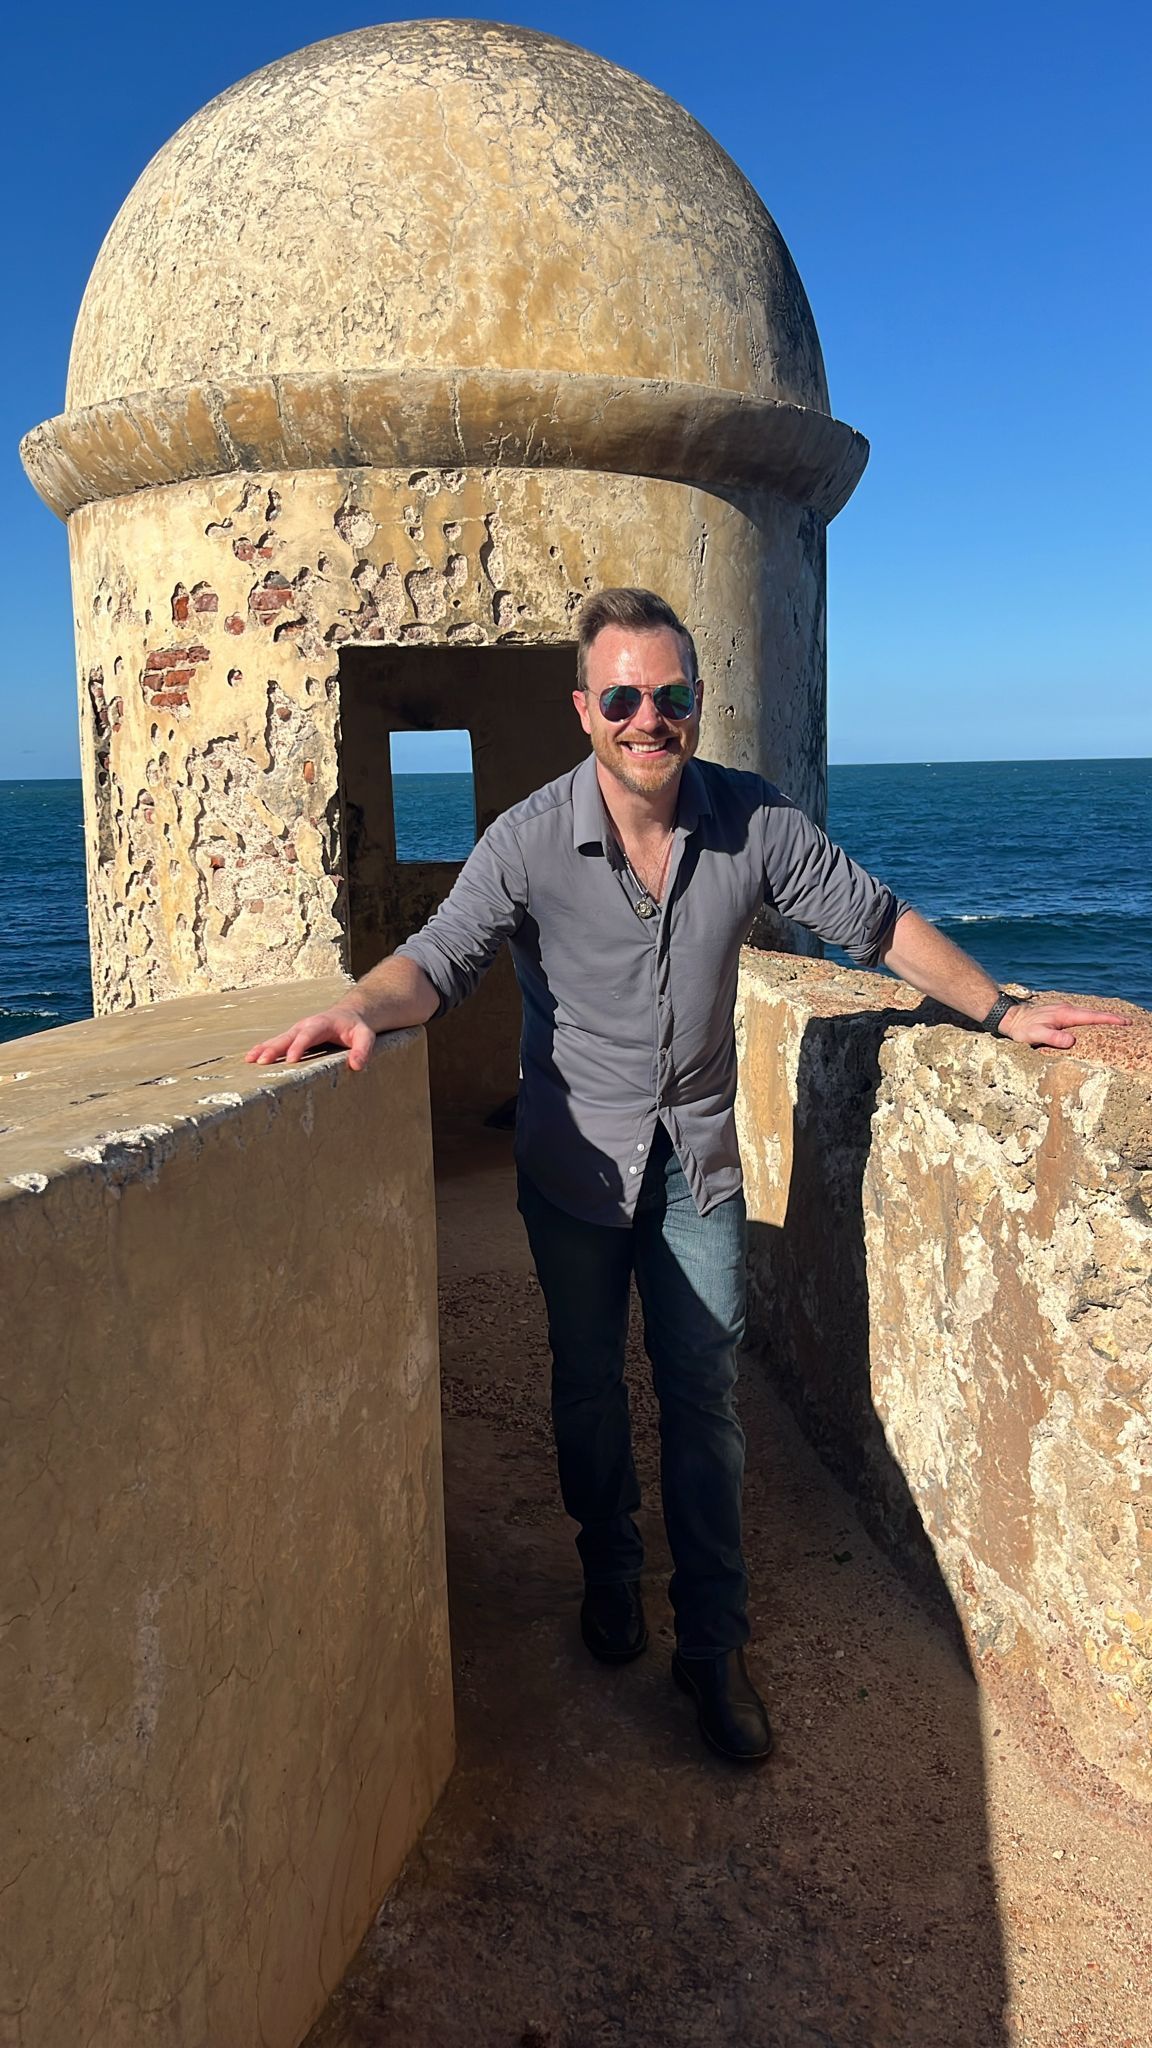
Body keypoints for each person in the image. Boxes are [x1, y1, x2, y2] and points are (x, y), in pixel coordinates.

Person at [246, 587, 1125, 1764]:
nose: (646, 717)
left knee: (705, 1401)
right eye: (621, 696)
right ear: (584, 709)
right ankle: (608, 1565)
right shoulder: (527, 837)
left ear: (697, 707)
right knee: (586, 1386)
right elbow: (438, 960)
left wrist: (1002, 1006)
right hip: (574, 1169)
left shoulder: (752, 822)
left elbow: (876, 922)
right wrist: (356, 1010)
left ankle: (713, 1645)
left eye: (668, 696)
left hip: (697, 1164)